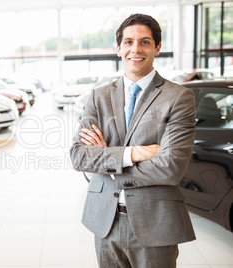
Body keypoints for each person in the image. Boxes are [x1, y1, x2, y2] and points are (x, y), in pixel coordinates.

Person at [70, 13, 196, 267]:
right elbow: (79, 156)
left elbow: (170, 168)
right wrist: (134, 153)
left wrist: (107, 162)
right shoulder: (98, 96)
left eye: (145, 42)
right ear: (119, 49)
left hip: (155, 223)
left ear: (157, 47)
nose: (135, 49)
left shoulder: (178, 97)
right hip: (105, 221)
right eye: (128, 42)